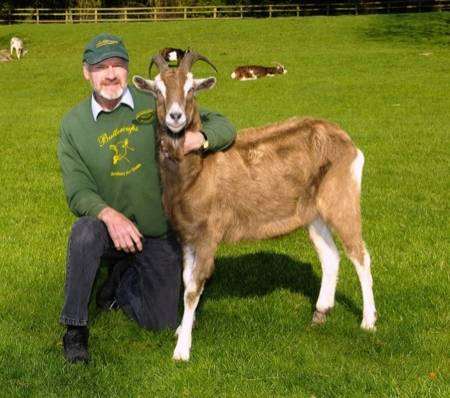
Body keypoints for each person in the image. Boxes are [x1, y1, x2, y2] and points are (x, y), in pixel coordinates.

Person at [58, 33, 236, 364]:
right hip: (109, 228)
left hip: (156, 232)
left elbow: (225, 125)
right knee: (83, 233)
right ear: (86, 72)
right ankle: (75, 327)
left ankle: (121, 283)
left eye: (117, 65)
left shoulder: (154, 101)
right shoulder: (73, 125)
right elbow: (77, 190)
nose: (110, 74)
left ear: (127, 71)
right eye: (101, 67)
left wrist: (202, 137)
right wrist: (109, 216)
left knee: (164, 320)